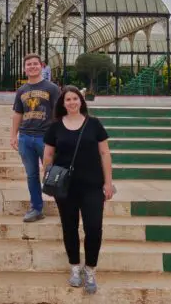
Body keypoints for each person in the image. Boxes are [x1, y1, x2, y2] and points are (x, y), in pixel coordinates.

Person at [43, 85, 114, 294]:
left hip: (92, 185)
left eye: (75, 99)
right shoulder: (55, 127)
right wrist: (47, 180)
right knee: (69, 227)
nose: (72, 102)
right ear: (62, 104)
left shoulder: (94, 124)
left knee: (94, 228)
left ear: (81, 102)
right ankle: (75, 267)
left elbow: (105, 154)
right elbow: (48, 156)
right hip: (65, 188)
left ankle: (90, 269)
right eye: (68, 100)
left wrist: (108, 183)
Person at [11, 53, 61, 222]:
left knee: (52, 172)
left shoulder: (52, 88)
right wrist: (13, 135)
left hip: (45, 138)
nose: (32, 67)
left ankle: (63, 205)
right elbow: (18, 113)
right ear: (24, 69)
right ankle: (36, 208)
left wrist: (57, 136)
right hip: (25, 138)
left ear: (42, 66)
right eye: (29, 64)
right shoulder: (21, 91)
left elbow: (58, 113)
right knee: (32, 175)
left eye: (35, 64)